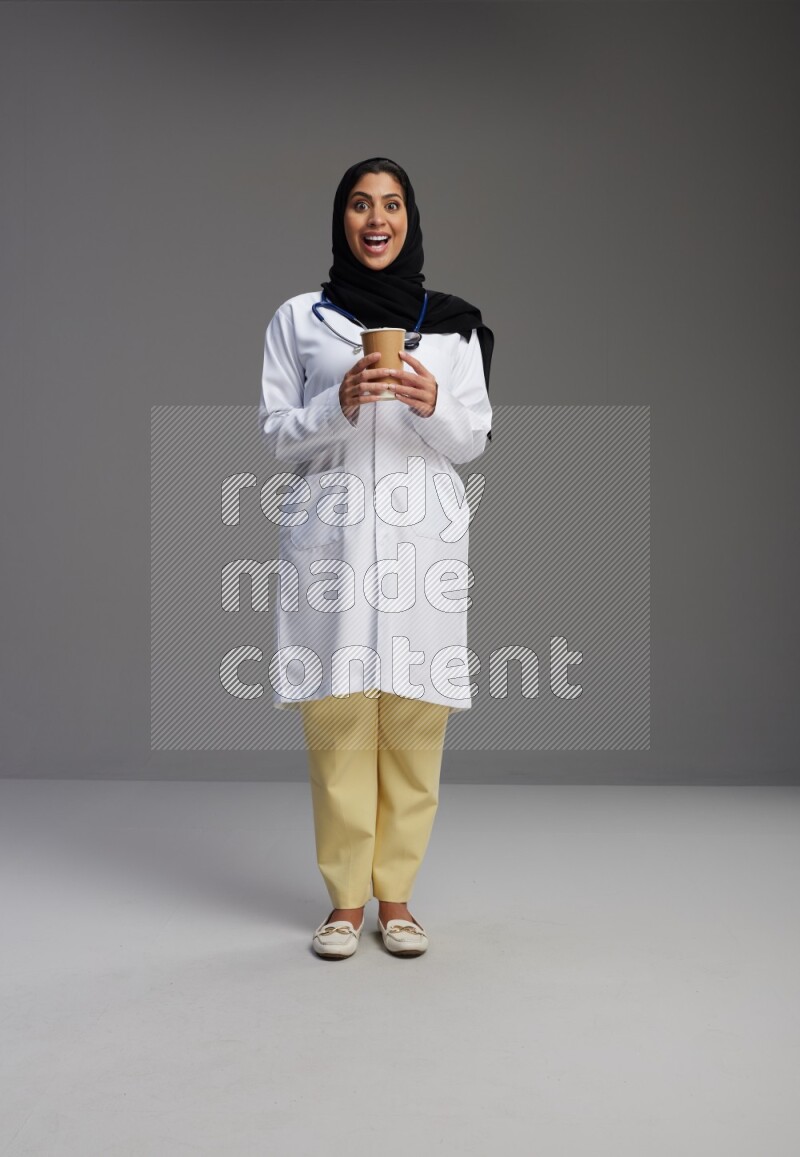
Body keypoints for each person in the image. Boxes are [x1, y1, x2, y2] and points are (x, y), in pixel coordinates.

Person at [258, 157, 493, 959]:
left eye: (390, 204)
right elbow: (276, 432)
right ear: (342, 220)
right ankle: (343, 904)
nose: (375, 218)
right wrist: (340, 402)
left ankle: (396, 899)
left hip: (421, 546)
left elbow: (472, 442)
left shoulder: (454, 325)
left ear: (410, 218)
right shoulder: (299, 319)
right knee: (339, 724)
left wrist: (434, 406)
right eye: (360, 204)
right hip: (335, 546)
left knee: (415, 726)